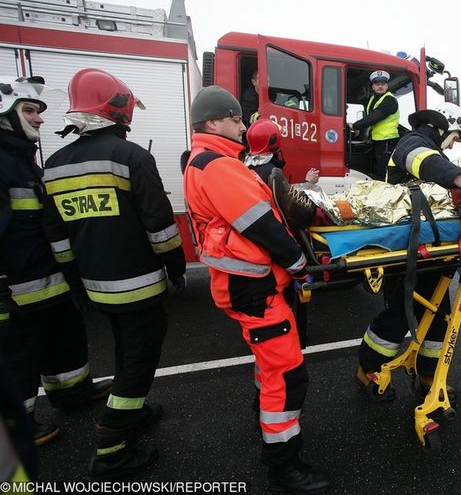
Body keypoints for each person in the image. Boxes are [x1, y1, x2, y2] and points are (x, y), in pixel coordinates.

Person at [182, 86, 330, 494]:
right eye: (235, 119)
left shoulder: (206, 161)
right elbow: (260, 224)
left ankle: (261, 414)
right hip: (253, 287)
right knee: (287, 375)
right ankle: (284, 465)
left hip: (244, 284)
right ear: (213, 123)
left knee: (270, 366)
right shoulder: (218, 166)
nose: (243, 125)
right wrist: (300, 265)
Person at [41, 68, 186, 477]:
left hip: (95, 287)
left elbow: (57, 237)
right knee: (139, 361)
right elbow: (160, 228)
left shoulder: (53, 164)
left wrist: (75, 282)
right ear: (119, 110)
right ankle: (112, 446)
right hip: (139, 286)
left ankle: (133, 416)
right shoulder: (132, 157)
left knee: (126, 350)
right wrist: (176, 269)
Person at [0, 76, 112, 448]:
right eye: (29, 110)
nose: (39, 119)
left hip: (45, 277)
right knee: (20, 352)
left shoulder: (19, 159)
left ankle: (71, 391)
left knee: (63, 336)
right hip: (16, 287)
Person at [356, 105, 461, 401]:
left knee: (439, 316)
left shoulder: (431, 149)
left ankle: (428, 375)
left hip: (432, 250)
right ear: (444, 127)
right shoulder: (413, 142)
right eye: (455, 137)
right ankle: (368, 370)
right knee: (399, 315)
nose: (454, 144)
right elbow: (424, 161)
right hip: (408, 252)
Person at [348, 70, 400, 180]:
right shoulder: (372, 99)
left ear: (387, 86)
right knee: (376, 169)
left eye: (383, 84)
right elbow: (369, 118)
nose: (380, 87)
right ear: (373, 87)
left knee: (384, 172)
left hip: (387, 142)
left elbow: (375, 117)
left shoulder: (390, 100)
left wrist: (355, 126)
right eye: (377, 84)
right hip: (377, 141)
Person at [245, 119, 319, 185]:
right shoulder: (273, 173)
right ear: (274, 142)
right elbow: (289, 198)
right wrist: (308, 182)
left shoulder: (245, 168)